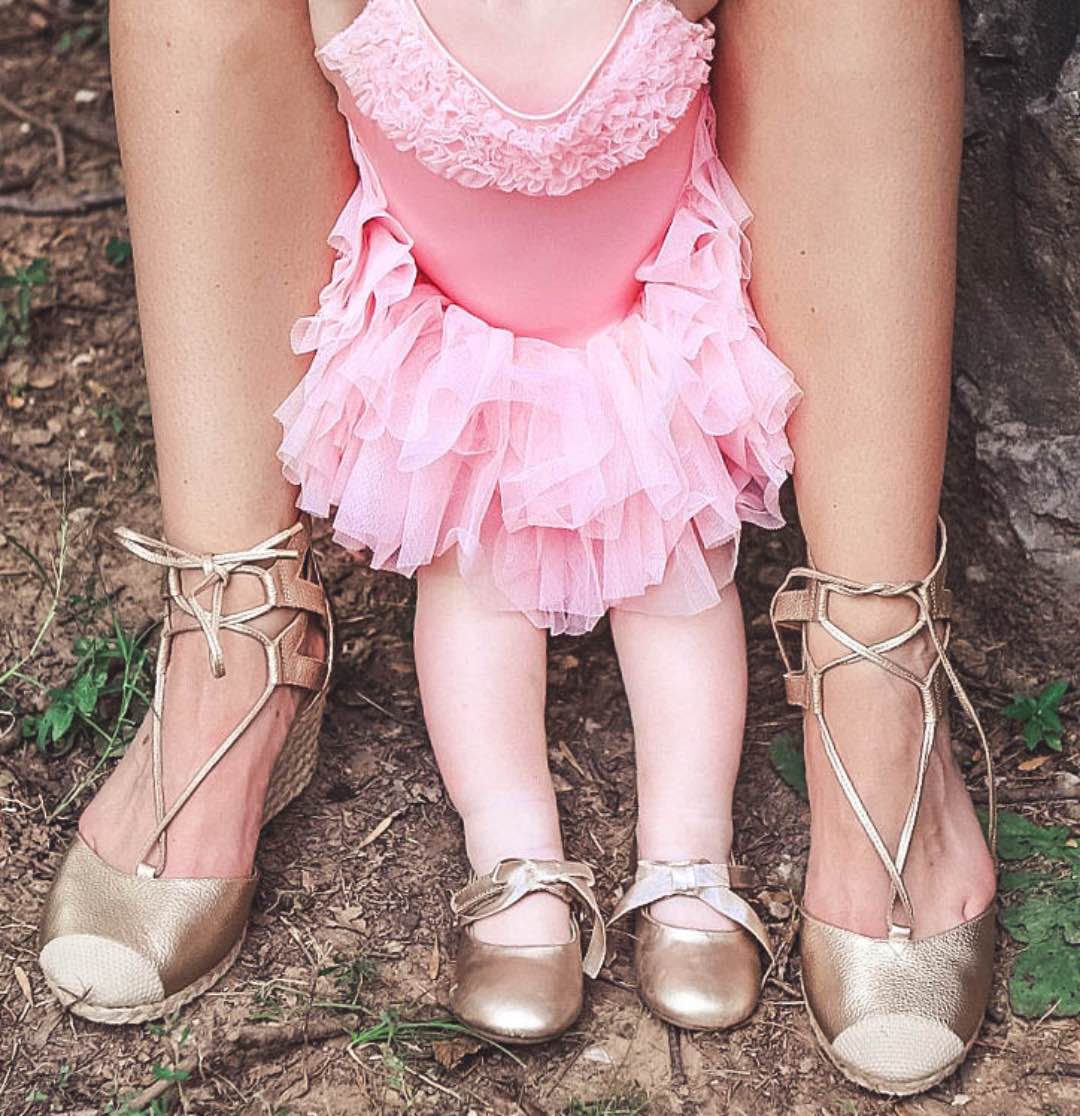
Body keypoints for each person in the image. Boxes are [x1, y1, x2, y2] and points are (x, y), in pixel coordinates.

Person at [37, 1, 996, 1097]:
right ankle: (440, 804)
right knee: (477, 578)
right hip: (468, 381)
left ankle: (786, 763)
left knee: (674, 578)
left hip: (635, 361)